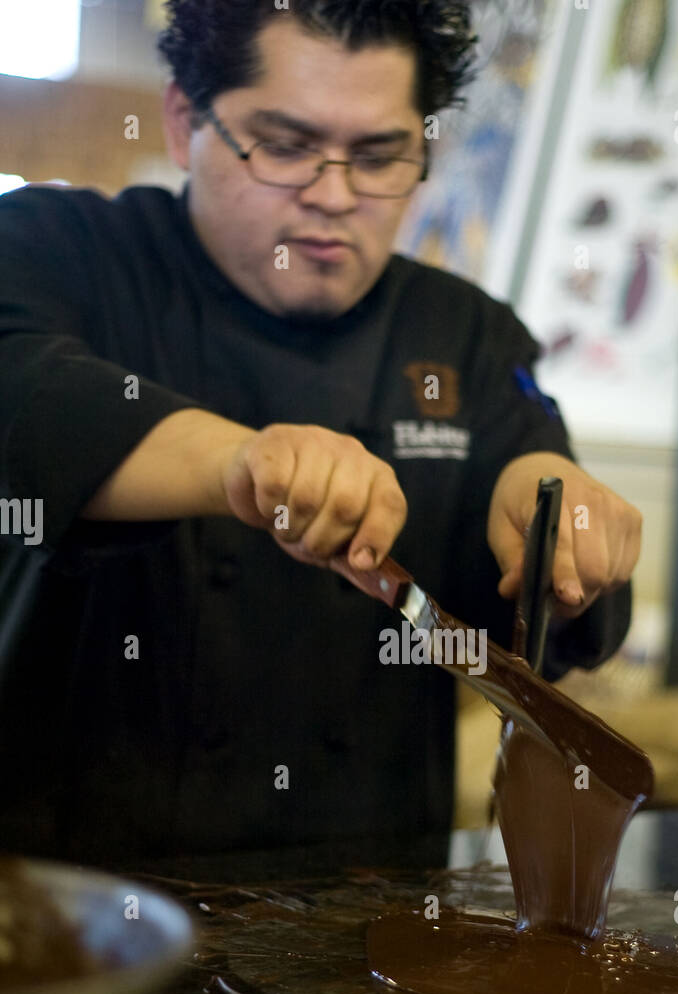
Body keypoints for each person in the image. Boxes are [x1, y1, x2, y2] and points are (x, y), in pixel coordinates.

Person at [0, 0, 642, 878]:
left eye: (378, 157)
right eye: (284, 145)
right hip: (76, 913)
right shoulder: (62, 251)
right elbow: (23, 397)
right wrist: (241, 462)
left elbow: (549, 597)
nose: (334, 196)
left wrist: (563, 538)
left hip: (373, 915)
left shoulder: (463, 333)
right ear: (184, 119)